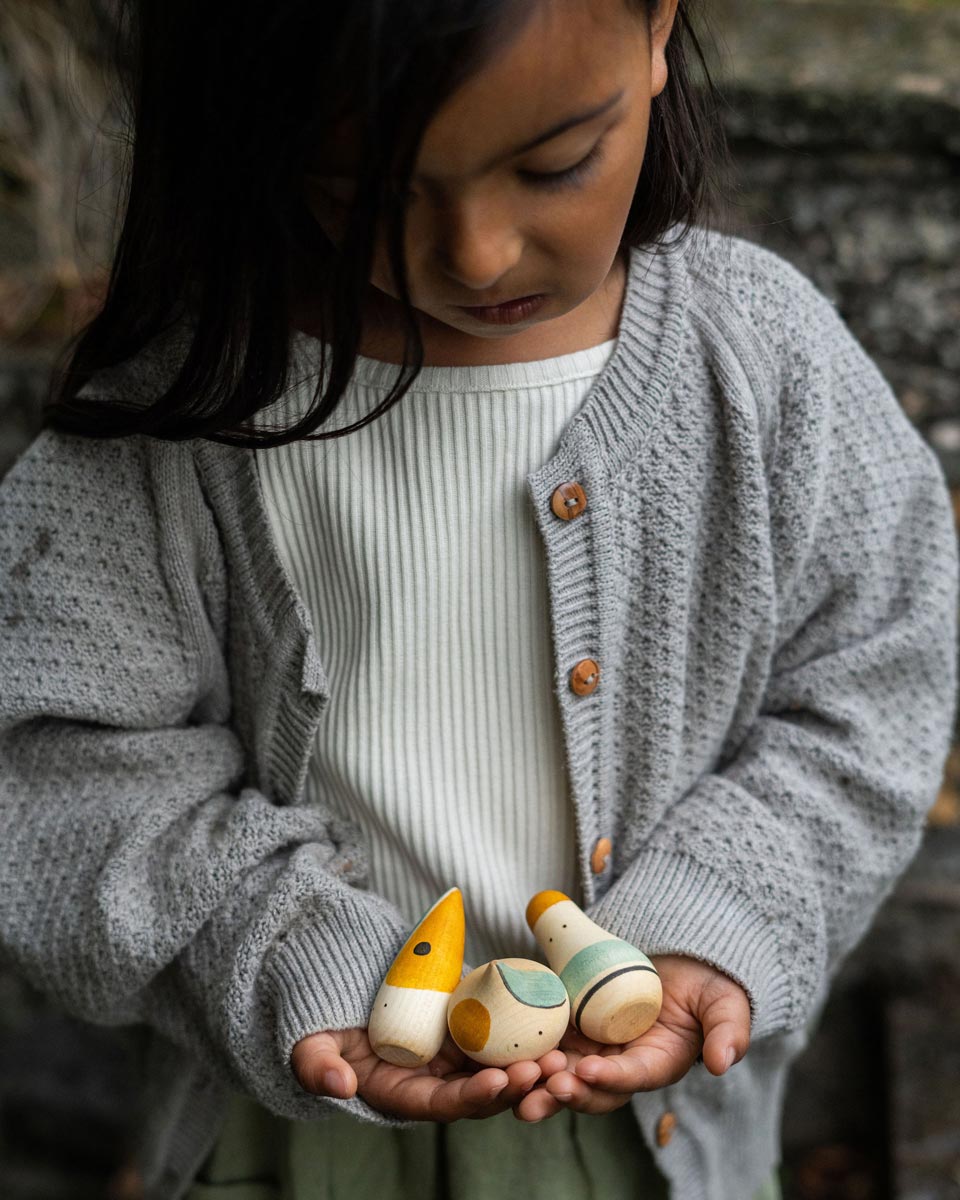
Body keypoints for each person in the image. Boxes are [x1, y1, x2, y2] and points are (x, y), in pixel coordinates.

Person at [0, 0, 956, 1196]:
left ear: (659, 28)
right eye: (368, 195)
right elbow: (64, 769)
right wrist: (295, 957)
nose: (475, 252)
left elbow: (872, 679)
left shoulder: (763, 362)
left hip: (648, 1137)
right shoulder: (186, 411)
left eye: (553, 164)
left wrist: (715, 911)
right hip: (296, 1126)